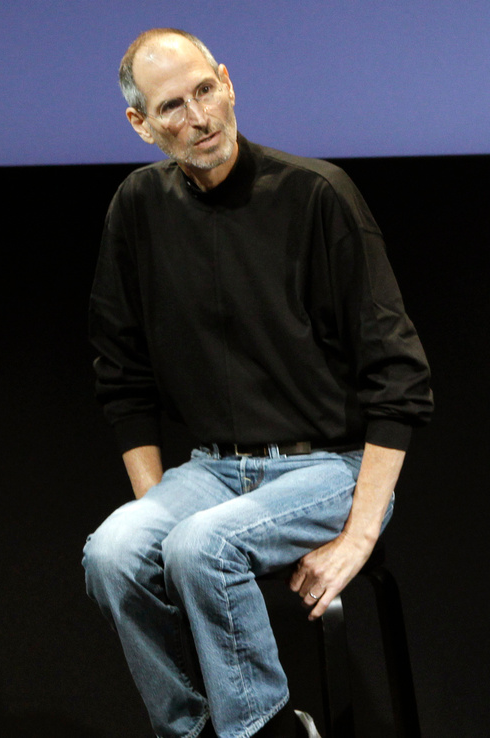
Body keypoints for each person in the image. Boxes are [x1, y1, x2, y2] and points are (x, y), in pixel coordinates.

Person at [82, 29, 432, 738]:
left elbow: (400, 374)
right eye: (172, 106)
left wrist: (360, 536)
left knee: (200, 547)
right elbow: (121, 373)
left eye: (205, 90)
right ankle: (196, 730)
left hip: (330, 465)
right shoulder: (138, 207)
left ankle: (266, 732)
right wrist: (159, 512)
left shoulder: (316, 193)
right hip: (213, 468)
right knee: (113, 554)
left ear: (228, 81)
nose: (199, 117)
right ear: (140, 125)